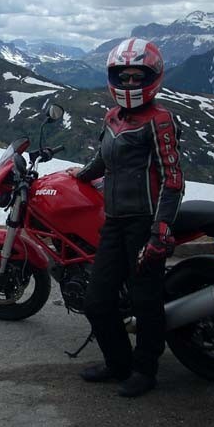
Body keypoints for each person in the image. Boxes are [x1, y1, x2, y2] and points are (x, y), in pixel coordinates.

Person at [66, 37, 184, 398]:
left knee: (145, 300)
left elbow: (173, 179)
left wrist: (160, 229)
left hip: (145, 222)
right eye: (124, 76)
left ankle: (145, 370)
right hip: (115, 221)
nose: (130, 83)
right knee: (97, 300)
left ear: (152, 77)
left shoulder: (160, 121)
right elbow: (103, 159)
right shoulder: (112, 117)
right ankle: (117, 363)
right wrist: (80, 175)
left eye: (137, 76)